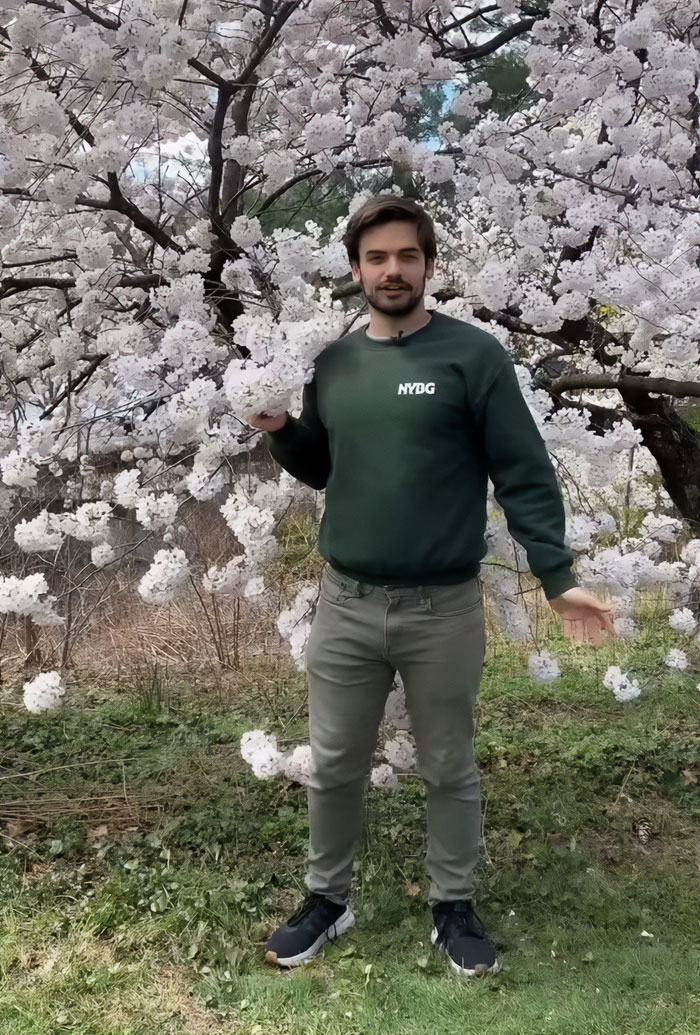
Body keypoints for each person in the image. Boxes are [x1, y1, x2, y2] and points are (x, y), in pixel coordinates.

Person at [246, 195, 616, 977]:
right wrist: (283, 432)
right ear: (357, 270)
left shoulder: (472, 357)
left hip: (441, 608)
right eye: (376, 258)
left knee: (449, 763)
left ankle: (453, 905)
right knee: (335, 759)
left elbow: (522, 471)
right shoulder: (334, 361)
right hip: (345, 603)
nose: (391, 270)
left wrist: (558, 577)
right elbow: (327, 465)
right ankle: (328, 898)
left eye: (405, 257)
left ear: (427, 266)